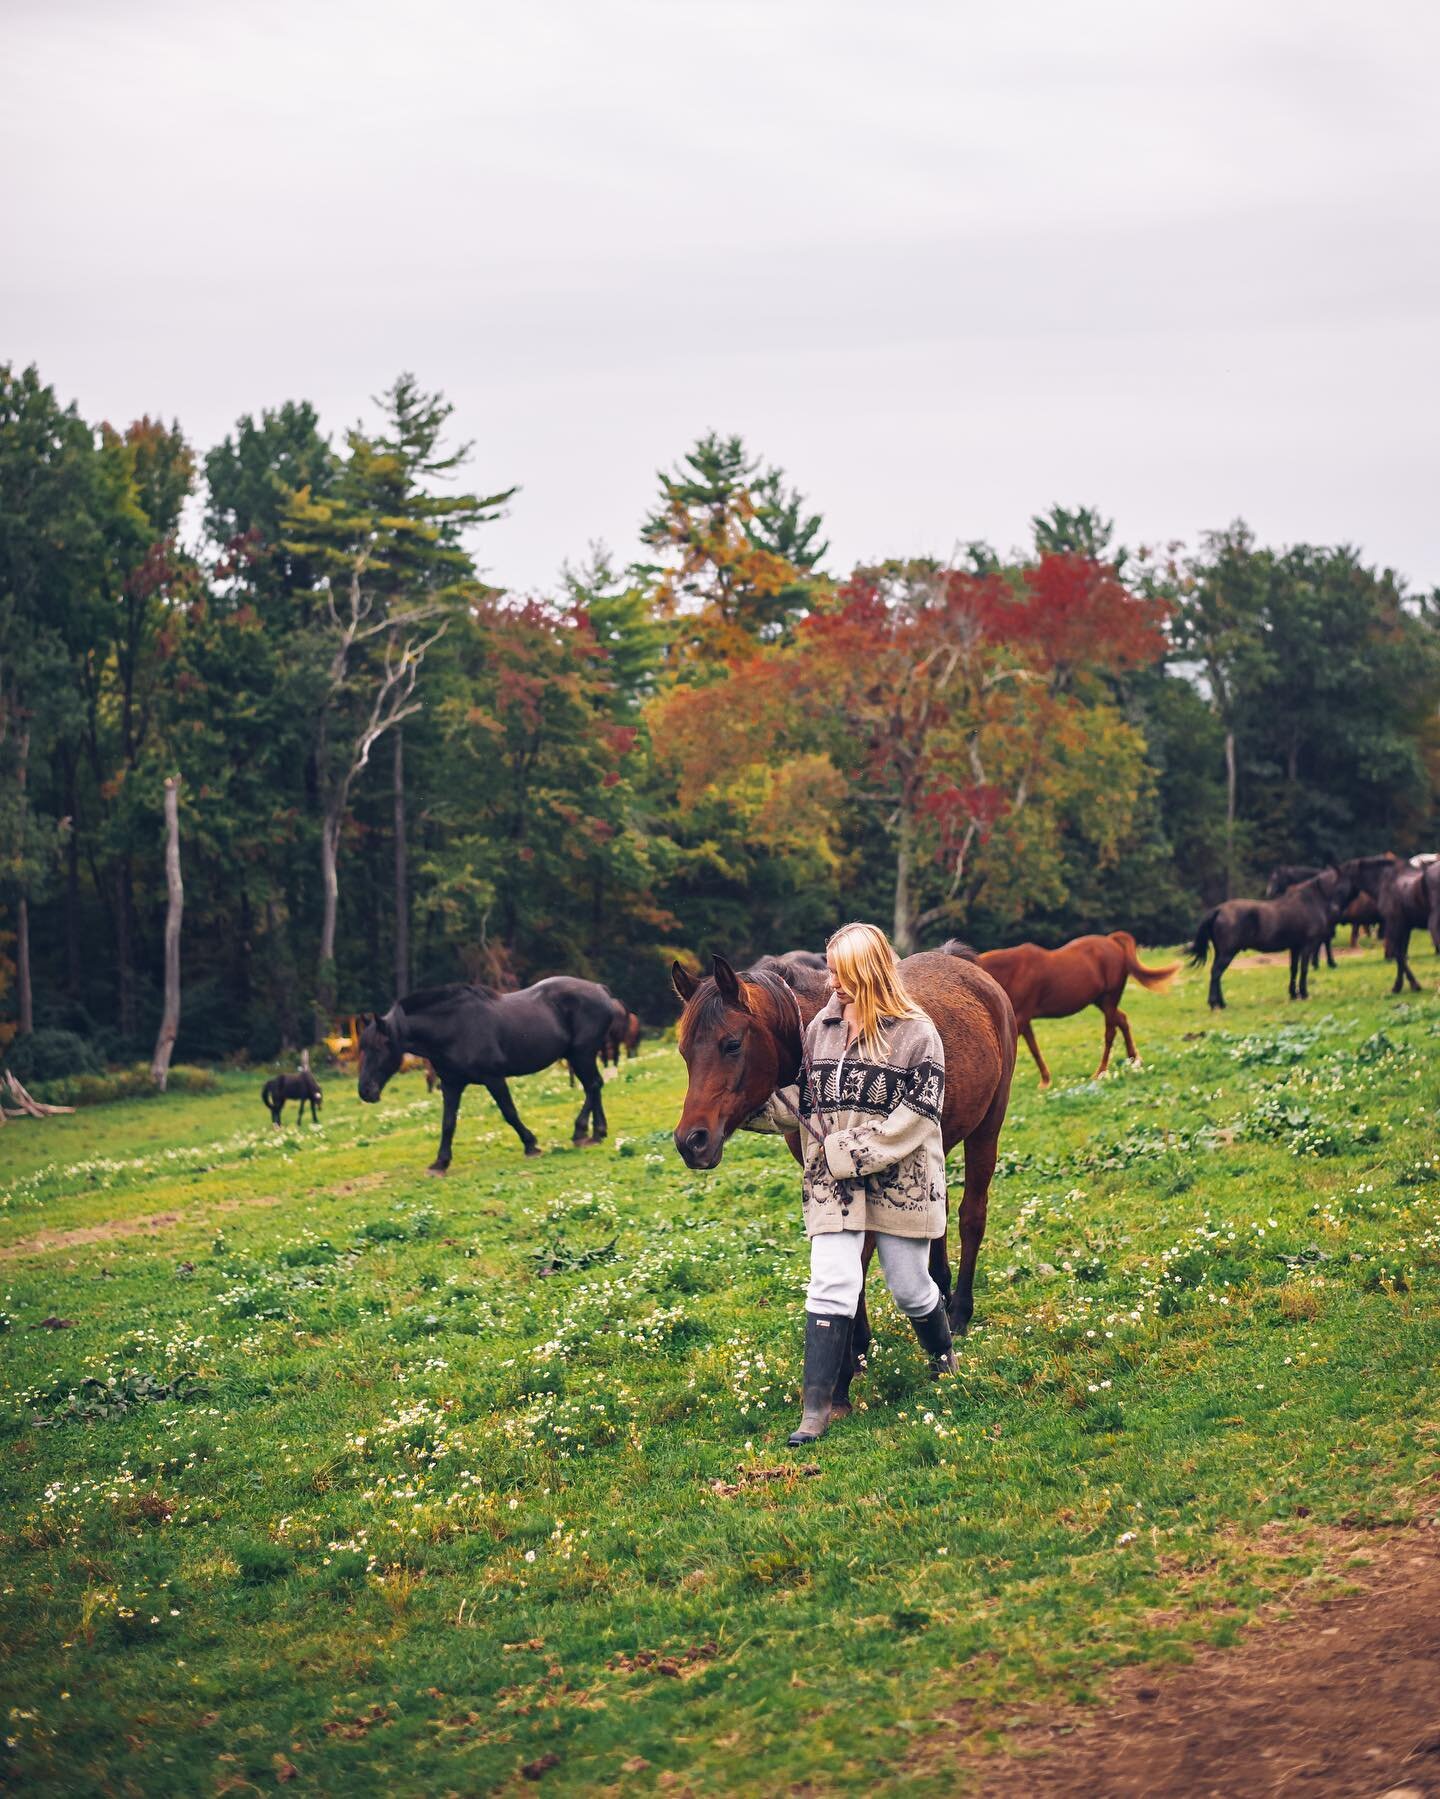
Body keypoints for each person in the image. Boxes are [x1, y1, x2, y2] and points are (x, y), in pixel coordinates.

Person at [759, 920, 952, 1447]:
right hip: (834, 1187)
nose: (832, 984)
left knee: (910, 1288)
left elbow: (919, 1113)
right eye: (831, 973)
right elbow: (804, 1105)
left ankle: (942, 1351)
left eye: (843, 975)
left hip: (902, 1182)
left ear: (869, 975)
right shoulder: (818, 1032)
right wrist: (741, 1110)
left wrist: (848, 1152)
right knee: (832, 1281)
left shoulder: (919, 1034)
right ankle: (816, 1409)